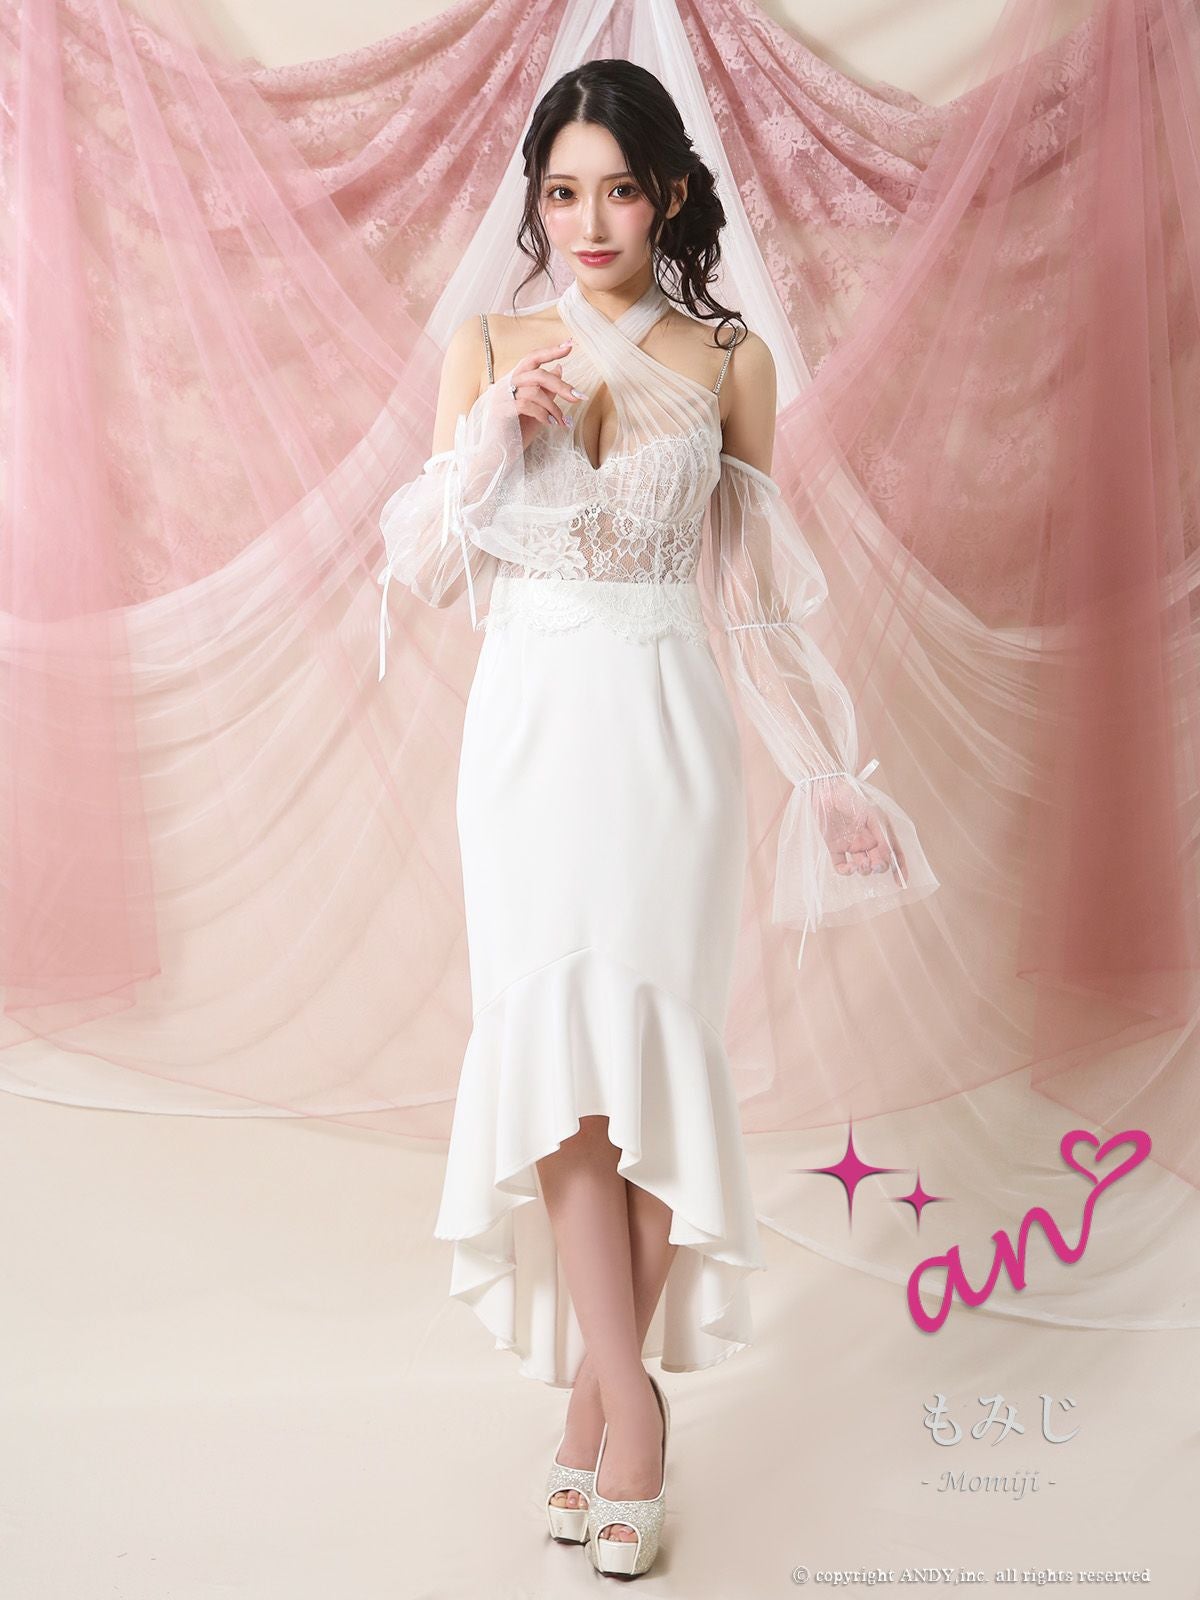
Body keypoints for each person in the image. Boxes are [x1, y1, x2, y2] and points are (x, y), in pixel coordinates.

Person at [376, 58, 928, 1581]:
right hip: (528, 739)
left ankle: (597, 1417)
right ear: (537, 203)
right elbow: (425, 565)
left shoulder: (732, 360)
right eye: (561, 193)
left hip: (671, 735)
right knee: (557, 1062)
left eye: (619, 189)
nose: (589, 221)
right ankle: (633, 1410)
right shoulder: (489, 346)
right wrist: (494, 436)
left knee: (658, 1054)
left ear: (670, 194)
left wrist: (829, 769)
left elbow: (755, 603)